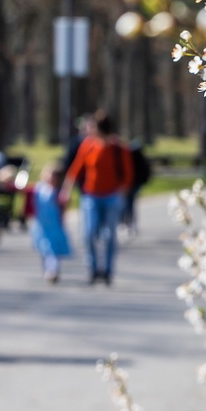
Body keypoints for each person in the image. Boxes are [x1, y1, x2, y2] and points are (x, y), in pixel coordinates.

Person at [60, 110, 133, 286]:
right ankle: (93, 269)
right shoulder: (88, 145)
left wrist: (121, 193)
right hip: (91, 196)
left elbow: (128, 174)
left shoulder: (118, 148)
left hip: (112, 197)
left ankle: (107, 271)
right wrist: (66, 190)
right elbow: (76, 169)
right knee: (89, 233)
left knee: (109, 236)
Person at [30, 163, 71, 284]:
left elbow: (64, 205)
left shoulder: (58, 192)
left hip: (54, 225)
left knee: (52, 250)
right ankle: (47, 270)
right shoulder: (38, 189)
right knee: (44, 249)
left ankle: (52, 271)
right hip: (41, 225)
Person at [121, 139, 152, 237]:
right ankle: (129, 222)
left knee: (128, 203)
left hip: (132, 184)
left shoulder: (130, 156)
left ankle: (128, 222)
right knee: (129, 203)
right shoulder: (134, 155)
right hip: (132, 183)